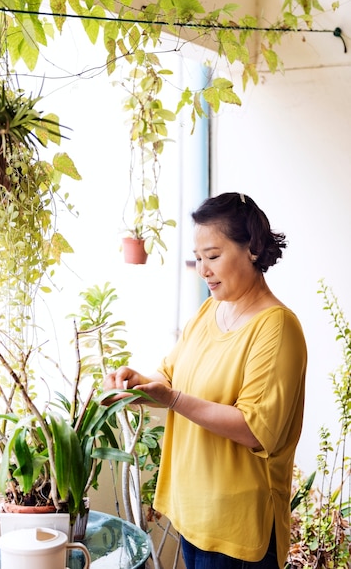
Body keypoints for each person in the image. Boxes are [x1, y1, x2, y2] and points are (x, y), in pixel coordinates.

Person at [103, 192, 307, 569]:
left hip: (238, 529)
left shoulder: (276, 327)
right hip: (194, 514)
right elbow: (170, 377)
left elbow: (255, 429)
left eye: (212, 256)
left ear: (252, 249)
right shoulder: (209, 311)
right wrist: (136, 386)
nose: (203, 270)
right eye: (198, 259)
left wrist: (173, 399)